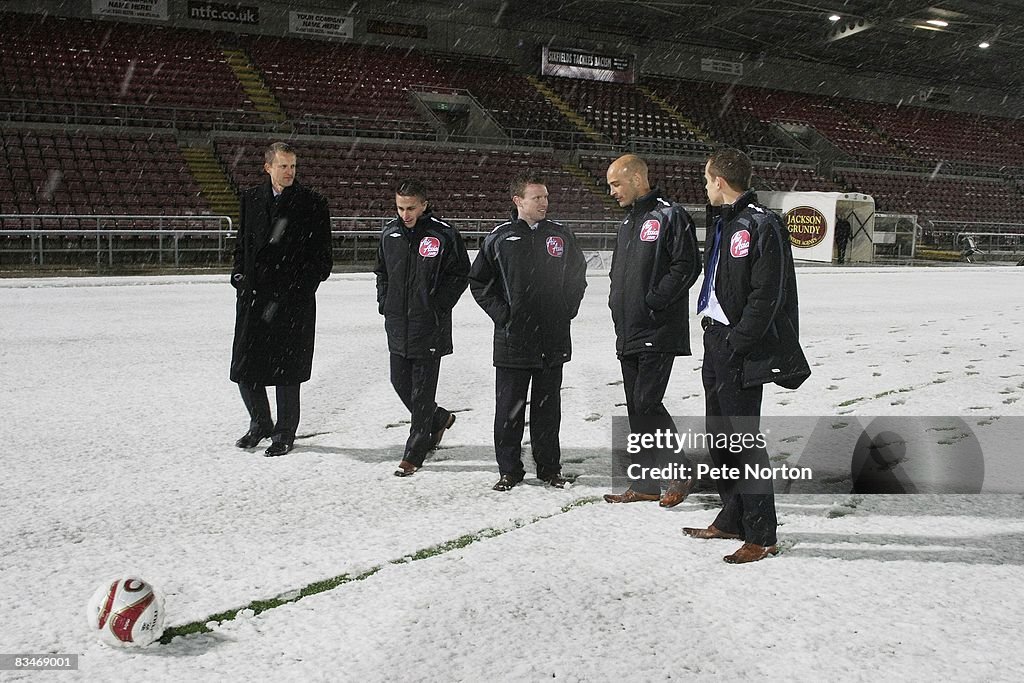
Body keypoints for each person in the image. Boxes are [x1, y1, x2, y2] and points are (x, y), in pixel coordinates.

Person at [683, 147, 810, 564]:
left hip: (739, 346)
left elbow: (767, 295)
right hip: (713, 340)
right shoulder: (723, 221)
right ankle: (733, 516)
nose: (704, 186)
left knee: (743, 441)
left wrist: (739, 342)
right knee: (720, 438)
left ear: (719, 180)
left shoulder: (762, 224)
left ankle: (762, 534)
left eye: (706, 179)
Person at [469, 172, 587, 491]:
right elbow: (479, 282)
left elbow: (578, 276)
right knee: (509, 412)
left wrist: (567, 309)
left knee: (548, 413)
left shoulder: (561, 235)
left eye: (546, 197)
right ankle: (509, 470)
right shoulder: (500, 237)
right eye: (537, 198)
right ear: (518, 201)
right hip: (513, 342)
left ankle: (549, 469)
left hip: (552, 340)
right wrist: (503, 316)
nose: (544, 203)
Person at [604, 154, 701, 506]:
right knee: (635, 407)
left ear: (635, 178)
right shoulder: (628, 222)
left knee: (647, 402)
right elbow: (619, 274)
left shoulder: (670, 215)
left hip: (657, 329)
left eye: (616, 184)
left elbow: (687, 265)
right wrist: (618, 304)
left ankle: (681, 470)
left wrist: (654, 300)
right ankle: (644, 484)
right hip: (628, 329)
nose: (612, 191)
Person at [230, 142, 333, 457]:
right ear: (268, 167)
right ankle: (260, 423)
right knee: (244, 367)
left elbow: (323, 261)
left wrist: (296, 290)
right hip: (254, 298)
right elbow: (242, 244)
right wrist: (237, 275)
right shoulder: (250, 199)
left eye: (293, 166)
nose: (289, 172)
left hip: (291, 302)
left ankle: (284, 433)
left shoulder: (313, 204)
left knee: (287, 371)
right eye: (283, 166)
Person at [375, 179, 469, 477]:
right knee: (399, 382)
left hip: (429, 326)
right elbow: (382, 272)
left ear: (424, 204)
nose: (405, 213)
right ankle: (438, 418)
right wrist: (384, 301)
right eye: (400, 207)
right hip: (397, 325)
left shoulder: (443, 233)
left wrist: (437, 305)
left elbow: (460, 274)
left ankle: (415, 452)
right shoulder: (389, 233)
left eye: (411, 207)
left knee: (421, 393)